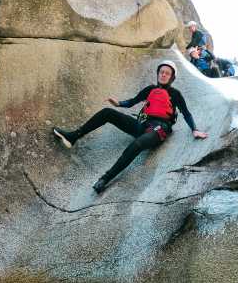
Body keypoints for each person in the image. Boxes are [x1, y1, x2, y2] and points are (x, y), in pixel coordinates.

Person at [52, 61, 209, 194]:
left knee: (137, 144)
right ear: (158, 73)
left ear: (172, 77)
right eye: (161, 72)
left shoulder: (175, 94)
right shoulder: (149, 90)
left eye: (167, 73)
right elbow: (133, 101)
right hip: (141, 125)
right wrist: (119, 103)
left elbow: (186, 114)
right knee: (108, 112)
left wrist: (194, 129)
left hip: (159, 129)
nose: (163, 75)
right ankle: (73, 136)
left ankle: (105, 178)